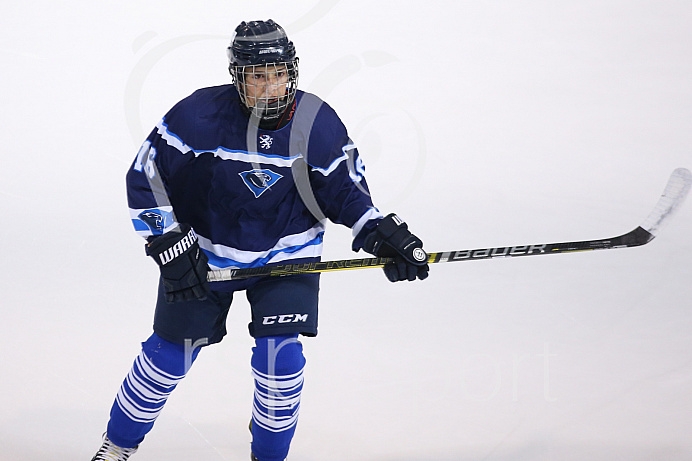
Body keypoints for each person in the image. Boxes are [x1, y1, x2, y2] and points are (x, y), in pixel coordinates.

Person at [91, 19, 429, 461]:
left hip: (284, 261)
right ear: (238, 77)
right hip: (204, 257)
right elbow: (146, 176)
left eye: (279, 74)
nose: (271, 86)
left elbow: (346, 194)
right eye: (258, 76)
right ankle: (117, 446)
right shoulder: (196, 116)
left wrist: (384, 236)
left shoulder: (317, 124)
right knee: (166, 358)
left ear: (292, 71)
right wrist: (168, 242)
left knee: (280, 365)